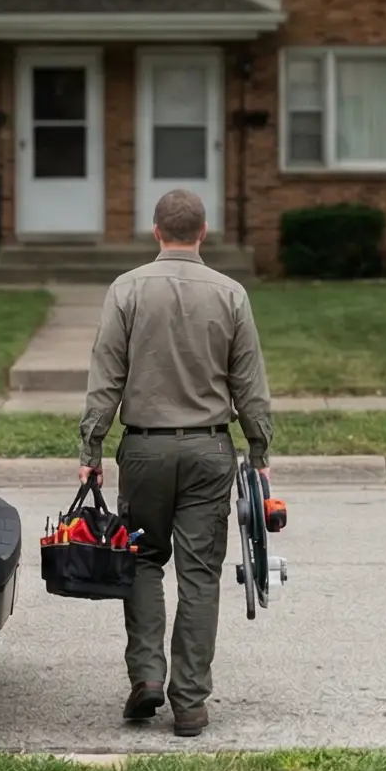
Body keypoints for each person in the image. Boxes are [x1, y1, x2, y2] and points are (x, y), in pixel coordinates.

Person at [77, 188, 273, 737]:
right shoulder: (231, 295)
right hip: (210, 450)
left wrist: (91, 448)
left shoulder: (127, 290)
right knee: (200, 576)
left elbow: (106, 377)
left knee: (140, 559)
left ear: (157, 232)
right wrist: (258, 449)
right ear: (202, 233)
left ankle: (145, 677)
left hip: (143, 450)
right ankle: (189, 703)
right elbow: (249, 385)